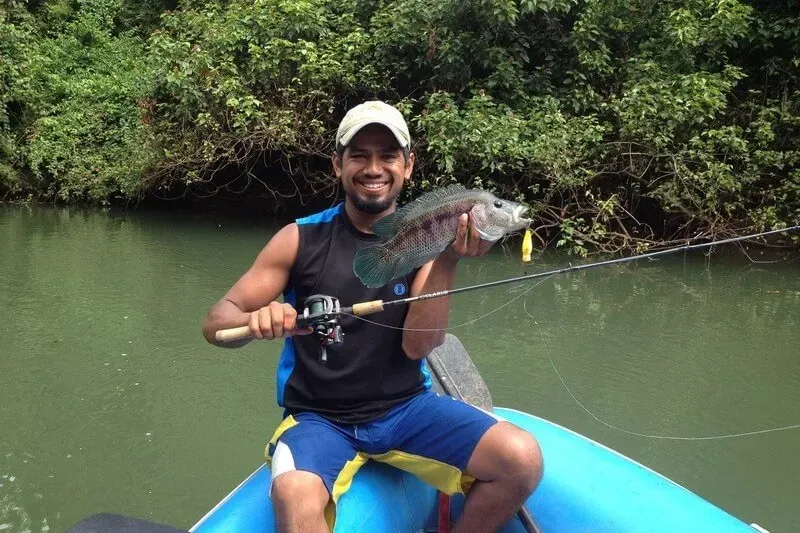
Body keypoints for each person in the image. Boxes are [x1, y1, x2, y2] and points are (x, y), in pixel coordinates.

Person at [202, 100, 543, 533]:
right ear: (337, 164)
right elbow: (216, 321)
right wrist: (254, 323)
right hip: (318, 419)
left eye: (388, 156)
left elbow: (418, 345)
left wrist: (449, 259)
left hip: (406, 408)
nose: (373, 168)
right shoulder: (297, 239)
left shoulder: (427, 244)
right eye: (359, 155)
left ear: (408, 166)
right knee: (294, 496)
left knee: (522, 459)